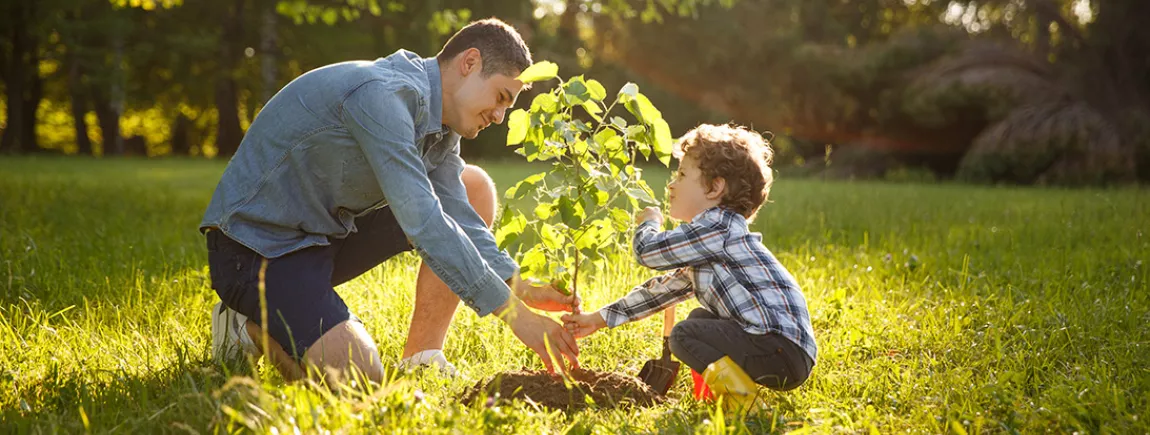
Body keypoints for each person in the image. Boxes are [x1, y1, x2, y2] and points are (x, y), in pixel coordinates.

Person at [201, 18, 579, 384]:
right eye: (500, 98)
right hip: (256, 250)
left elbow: (459, 215)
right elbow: (425, 222)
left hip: (321, 237)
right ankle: (245, 327)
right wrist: (517, 317)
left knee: (472, 186)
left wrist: (518, 284)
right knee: (359, 379)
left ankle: (422, 357)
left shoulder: (442, 126)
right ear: (470, 63)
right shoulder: (383, 96)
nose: (499, 116)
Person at [561, 124, 817, 410]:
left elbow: (648, 252)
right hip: (786, 351)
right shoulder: (713, 241)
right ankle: (715, 398)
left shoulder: (716, 227)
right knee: (699, 319)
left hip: (778, 348)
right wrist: (598, 319)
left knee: (684, 335)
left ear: (714, 187)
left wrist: (649, 224)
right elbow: (662, 292)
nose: (671, 184)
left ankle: (747, 407)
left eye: (681, 175)